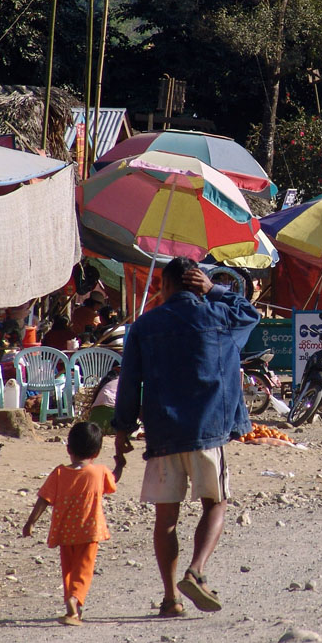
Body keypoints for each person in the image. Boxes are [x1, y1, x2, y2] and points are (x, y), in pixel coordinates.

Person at [113, 256, 260, 618]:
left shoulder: (144, 327)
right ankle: (196, 571)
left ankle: (170, 598)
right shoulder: (220, 317)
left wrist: (122, 433)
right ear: (196, 283)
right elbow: (250, 314)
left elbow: (129, 383)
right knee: (216, 503)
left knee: (166, 519)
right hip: (208, 430)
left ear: (164, 285)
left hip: (162, 432)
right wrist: (215, 290)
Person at [22, 422, 122, 626]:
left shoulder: (59, 473)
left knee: (68, 569)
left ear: (68, 448)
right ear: (97, 451)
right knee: (83, 570)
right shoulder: (99, 472)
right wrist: (120, 464)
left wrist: (30, 522)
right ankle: (74, 599)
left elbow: (44, 498)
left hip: (65, 532)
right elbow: (113, 481)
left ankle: (73, 609)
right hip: (90, 531)